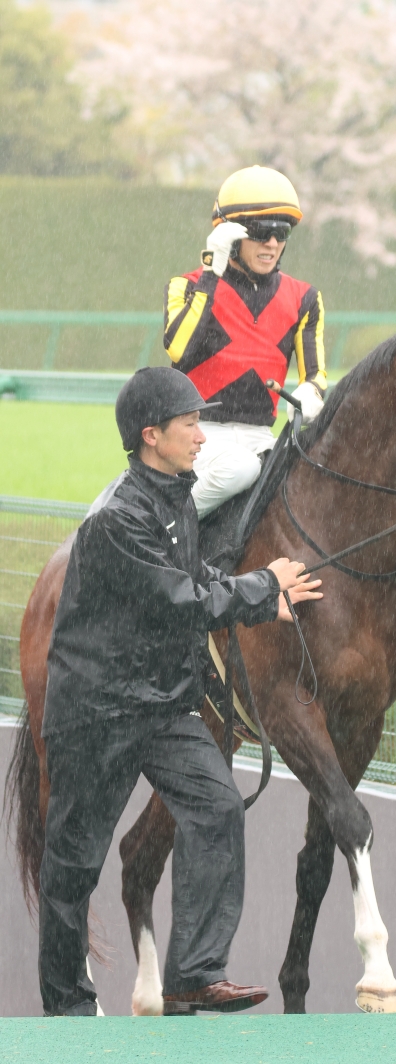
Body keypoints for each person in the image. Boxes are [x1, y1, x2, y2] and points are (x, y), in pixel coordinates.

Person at [38, 366, 322, 1017]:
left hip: (163, 707)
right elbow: (180, 598)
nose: (202, 434)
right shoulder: (117, 518)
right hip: (96, 711)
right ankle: (68, 1010)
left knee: (217, 808)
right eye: (190, 422)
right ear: (150, 435)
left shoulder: (176, 496)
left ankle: (193, 972)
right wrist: (263, 587)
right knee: (75, 864)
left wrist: (259, 603)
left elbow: (195, 577)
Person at [163, 165, 327, 519]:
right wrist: (211, 273)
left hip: (261, 438)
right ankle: (167, 528)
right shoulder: (187, 286)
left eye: (281, 233)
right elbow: (179, 349)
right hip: (195, 433)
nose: (271, 243)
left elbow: (314, 374)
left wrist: (310, 392)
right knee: (239, 470)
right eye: (261, 231)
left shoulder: (305, 299)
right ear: (230, 235)